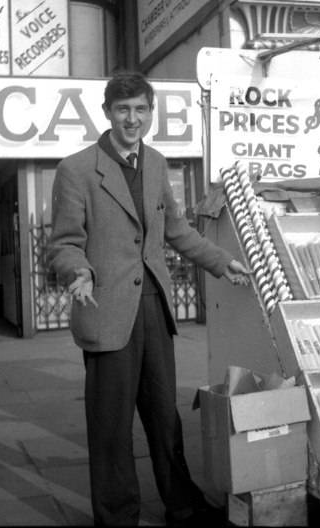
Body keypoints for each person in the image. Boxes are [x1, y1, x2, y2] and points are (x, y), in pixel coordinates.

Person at [48, 71, 251, 526]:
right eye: (123, 110)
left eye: (141, 109)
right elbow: (63, 242)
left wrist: (220, 261)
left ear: (150, 112)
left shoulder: (157, 164)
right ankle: (118, 515)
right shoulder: (76, 169)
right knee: (111, 426)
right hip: (106, 312)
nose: (132, 118)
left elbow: (176, 231)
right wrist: (78, 270)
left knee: (165, 417)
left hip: (154, 308)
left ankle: (181, 504)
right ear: (107, 113)